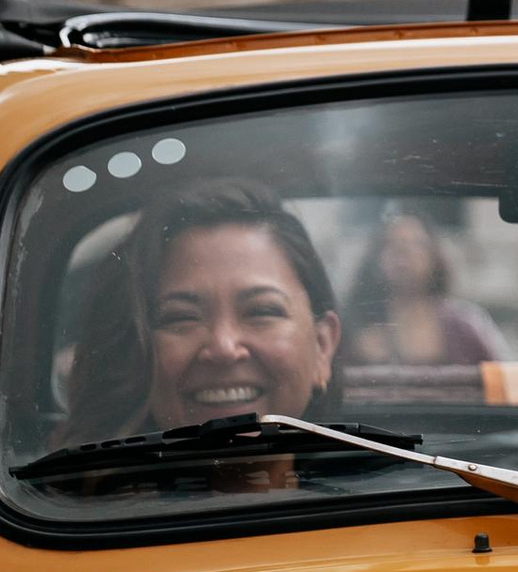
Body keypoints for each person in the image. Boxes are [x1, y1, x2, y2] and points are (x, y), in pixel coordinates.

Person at [60, 179, 342, 483]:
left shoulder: (385, 507)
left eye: (261, 311)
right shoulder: (56, 521)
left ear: (322, 345)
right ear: (135, 347)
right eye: (181, 317)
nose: (223, 347)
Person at [344, 210, 505, 368]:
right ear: (376, 258)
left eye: (416, 244)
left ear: (434, 257)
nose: (403, 252)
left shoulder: (463, 326)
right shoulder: (354, 328)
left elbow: (502, 382)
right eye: (391, 244)